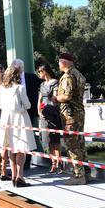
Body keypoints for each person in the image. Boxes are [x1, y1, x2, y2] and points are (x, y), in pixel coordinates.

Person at [0, 60, 34, 187]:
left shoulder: (2, 88)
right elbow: (28, 105)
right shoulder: (20, 88)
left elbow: (1, 105)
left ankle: (13, 176)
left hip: (6, 119)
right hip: (20, 119)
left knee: (11, 148)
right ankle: (20, 176)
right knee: (21, 148)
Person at [57, 52, 88, 185]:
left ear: (64, 62)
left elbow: (66, 96)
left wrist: (55, 98)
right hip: (79, 113)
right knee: (80, 143)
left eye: (59, 62)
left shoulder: (68, 76)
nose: (58, 64)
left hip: (70, 115)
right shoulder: (79, 74)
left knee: (72, 145)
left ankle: (78, 175)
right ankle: (86, 173)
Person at [37, 64, 64, 174]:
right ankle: (53, 163)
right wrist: (39, 111)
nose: (39, 73)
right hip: (44, 114)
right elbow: (39, 99)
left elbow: (54, 99)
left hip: (53, 113)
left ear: (45, 71)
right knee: (48, 140)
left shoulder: (55, 82)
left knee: (55, 140)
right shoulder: (42, 84)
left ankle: (59, 163)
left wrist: (49, 97)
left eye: (40, 71)